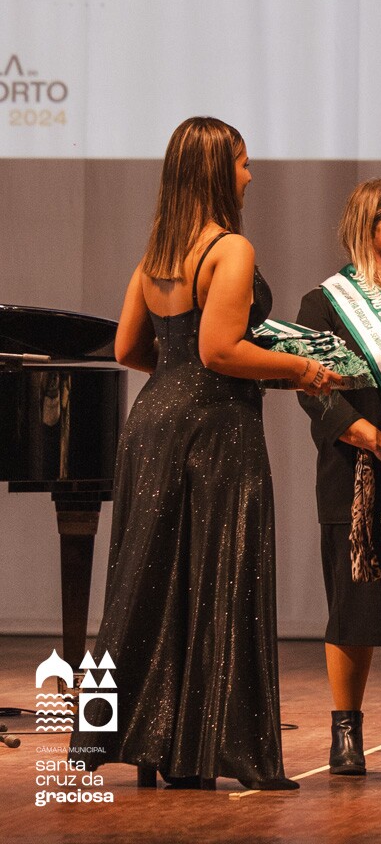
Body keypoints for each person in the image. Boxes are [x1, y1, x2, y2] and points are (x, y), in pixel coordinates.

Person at [71, 117, 344, 791]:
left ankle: (133, 739)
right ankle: (210, 748)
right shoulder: (230, 249)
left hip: (153, 422)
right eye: (243, 163)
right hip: (215, 431)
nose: (251, 175)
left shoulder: (157, 254)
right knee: (220, 575)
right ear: (220, 172)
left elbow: (128, 349)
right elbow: (221, 350)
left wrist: (181, 379)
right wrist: (301, 369)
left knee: (148, 579)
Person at [294, 179, 381, 777]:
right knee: (352, 607)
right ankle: (345, 733)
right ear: (370, 228)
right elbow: (316, 392)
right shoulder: (325, 303)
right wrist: (378, 441)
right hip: (356, 476)